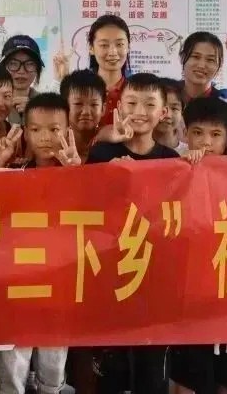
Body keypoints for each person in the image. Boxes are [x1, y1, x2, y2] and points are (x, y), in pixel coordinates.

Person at [85, 73, 179, 394]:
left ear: (163, 112)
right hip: (111, 277)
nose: (140, 111)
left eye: (150, 104)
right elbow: (86, 210)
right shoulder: (101, 155)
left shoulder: (171, 161)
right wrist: (112, 178)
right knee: (110, 373)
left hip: (154, 282)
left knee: (151, 374)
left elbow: (177, 219)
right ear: (119, 107)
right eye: (132, 103)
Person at [0, 92, 78, 394]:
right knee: (14, 359)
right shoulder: (14, 171)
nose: (45, 137)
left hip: (59, 282)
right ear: (25, 133)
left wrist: (76, 175)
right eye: (36, 129)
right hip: (18, 281)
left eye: (54, 129)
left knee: (53, 361)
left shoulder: (79, 172)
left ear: (67, 131)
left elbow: (91, 215)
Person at [169, 97, 227, 394]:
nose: (206, 142)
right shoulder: (171, 168)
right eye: (198, 133)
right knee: (189, 380)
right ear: (184, 133)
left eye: (215, 134)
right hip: (190, 294)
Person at [85, 15, 132, 128]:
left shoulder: (136, 91)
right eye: (104, 45)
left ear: (128, 47)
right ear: (91, 48)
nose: (112, 52)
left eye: (119, 44)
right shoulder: (80, 90)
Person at [59, 69, 106, 162]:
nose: (86, 112)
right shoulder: (55, 147)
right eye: (78, 104)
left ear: (103, 109)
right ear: (64, 107)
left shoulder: (110, 147)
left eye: (94, 104)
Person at [0, 35, 46, 125]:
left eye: (29, 64)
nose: (21, 71)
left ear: (37, 69)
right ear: (3, 67)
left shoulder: (46, 104)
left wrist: (37, 113)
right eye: (13, 63)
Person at [153, 77, 185, 151]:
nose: (168, 115)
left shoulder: (190, 152)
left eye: (174, 108)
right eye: (161, 107)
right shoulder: (134, 151)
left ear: (182, 112)